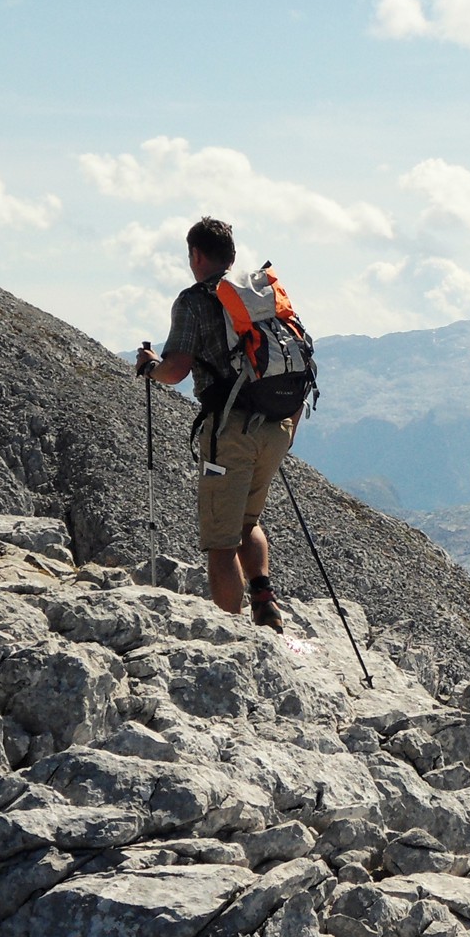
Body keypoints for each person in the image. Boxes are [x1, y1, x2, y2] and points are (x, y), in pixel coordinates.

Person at [134, 217, 294, 630]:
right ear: (233, 256)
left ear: (196, 255)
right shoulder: (258, 294)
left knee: (220, 542)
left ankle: (235, 637)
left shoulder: (193, 301)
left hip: (231, 430)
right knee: (248, 521)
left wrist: (151, 368)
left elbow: (176, 371)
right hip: (278, 422)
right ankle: (264, 601)